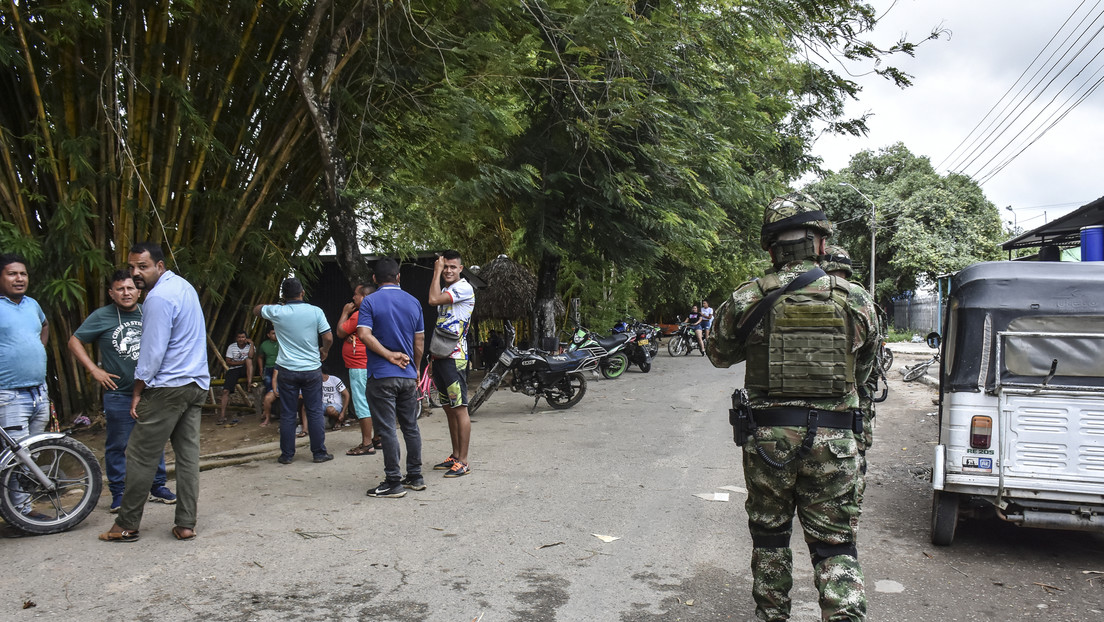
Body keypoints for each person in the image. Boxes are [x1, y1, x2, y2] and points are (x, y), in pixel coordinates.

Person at [706, 193, 877, 621]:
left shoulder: (748, 297)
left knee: (770, 539)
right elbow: (865, 372)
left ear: (770, 248)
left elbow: (718, 354)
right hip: (836, 442)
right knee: (835, 545)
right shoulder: (855, 298)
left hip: (770, 444)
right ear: (821, 243)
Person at [100, 242, 209, 543]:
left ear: (159, 266)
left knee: (139, 455)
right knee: (187, 457)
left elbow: (151, 353)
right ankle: (186, 524)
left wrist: (137, 390)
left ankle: (126, 525)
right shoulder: (184, 287)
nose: (135, 273)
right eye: (132, 267)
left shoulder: (158, 297)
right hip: (195, 384)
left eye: (142, 267)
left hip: (168, 387)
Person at [68, 270, 176, 513]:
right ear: (111, 293)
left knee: (155, 440)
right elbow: (74, 341)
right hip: (118, 393)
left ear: (139, 291)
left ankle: (158, 486)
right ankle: (118, 492)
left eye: (130, 288)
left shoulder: (149, 311)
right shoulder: (102, 316)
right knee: (118, 444)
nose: (126, 293)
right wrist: (94, 370)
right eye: (120, 289)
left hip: (151, 391)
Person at [357, 258, 425, 498]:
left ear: (375, 279)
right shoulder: (414, 302)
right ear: (398, 277)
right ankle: (415, 476)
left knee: (387, 429)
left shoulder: (370, 302)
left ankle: (393, 482)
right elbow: (419, 341)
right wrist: (415, 368)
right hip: (407, 376)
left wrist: (388, 355)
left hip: (382, 376)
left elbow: (363, 335)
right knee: (411, 427)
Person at [253, 277, 334, 465]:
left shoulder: (278, 311)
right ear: (302, 293)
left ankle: (287, 455)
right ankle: (319, 453)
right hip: (312, 369)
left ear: (283, 296)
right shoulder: (315, 311)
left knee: (288, 413)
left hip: (287, 370)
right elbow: (328, 337)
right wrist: (324, 351)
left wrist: (276, 306)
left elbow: (256, 309)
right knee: (314, 411)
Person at [0, 253, 52, 517]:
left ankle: (18, 508)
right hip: (9, 394)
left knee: (30, 452)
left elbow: (44, 325)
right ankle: (22, 513)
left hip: (38, 392)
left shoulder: (32, 304)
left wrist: (37, 348)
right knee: (15, 456)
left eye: (23, 274)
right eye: (12, 273)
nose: (19, 278)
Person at [426, 250, 475, 478]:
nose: (447, 270)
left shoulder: (463, 288)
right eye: (445, 266)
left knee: (460, 408)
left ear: (460, 269)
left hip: (455, 358)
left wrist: (435, 272)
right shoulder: (448, 289)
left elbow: (432, 299)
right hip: (441, 356)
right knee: (448, 409)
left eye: (452, 267)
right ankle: (455, 455)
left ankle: (463, 461)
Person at [336, 283, 379, 456]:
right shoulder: (377, 312)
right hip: (371, 363)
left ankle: (367, 443)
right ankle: (378, 437)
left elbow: (340, 332)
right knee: (374, 402)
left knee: (362, 403)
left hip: (359, 364)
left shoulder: (358, 315)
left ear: (364, 297)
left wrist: (345, 312)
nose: (353, 298)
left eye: (356, 295)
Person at [216, 330, 255, 426]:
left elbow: (251, 356)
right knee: (225, 391)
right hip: (234, 369)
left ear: (246, 338)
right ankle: (222, 415)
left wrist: (252, 344)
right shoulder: (231, 347)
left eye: (243, 337)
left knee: (249, 361)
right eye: (239, 337)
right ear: (236, 338)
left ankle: (249, 384)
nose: (241, 339)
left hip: (246, 370)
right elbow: (228, 362)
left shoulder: (250, 346)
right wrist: (241, 362)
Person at [256, 326, 279, 426]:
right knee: (269, 386)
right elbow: (260, 357)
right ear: (268, 335)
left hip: (281, 368)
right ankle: (267, 414)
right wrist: (261, 368)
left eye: (276, 333)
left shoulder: (283, 342)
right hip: (269, 368)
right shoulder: (264, 345)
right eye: (273, 333)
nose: (275, 335)